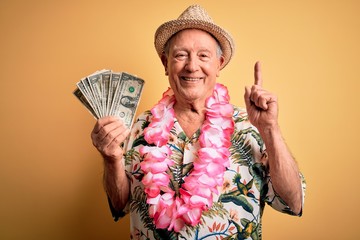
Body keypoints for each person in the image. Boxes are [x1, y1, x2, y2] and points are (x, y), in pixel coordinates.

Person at [90, 4, 306, 239]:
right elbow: (120, 205)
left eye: (203, 55)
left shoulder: (252, 127)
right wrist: (111, 159)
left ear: (219, 64)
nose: (192, 66)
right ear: (165, 63)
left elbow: (293, 203)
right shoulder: (136, 128)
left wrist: (270, 129)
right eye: (181, 55)